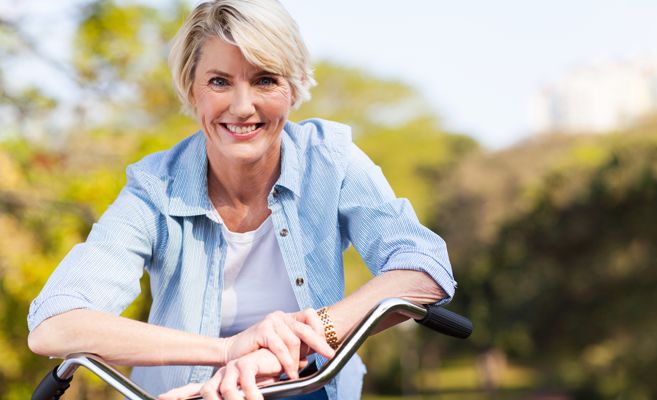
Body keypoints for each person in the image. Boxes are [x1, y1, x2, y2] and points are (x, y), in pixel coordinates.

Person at [25, 1, 456, 399]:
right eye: (219, 82)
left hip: (311, 388)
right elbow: (54, 325)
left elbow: (424, 266)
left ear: (295, 87)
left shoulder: (330, 159)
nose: (243, 106)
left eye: (265, 79)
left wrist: (297, 341)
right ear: (192, 92)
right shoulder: (154, 188)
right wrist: (229, 349)